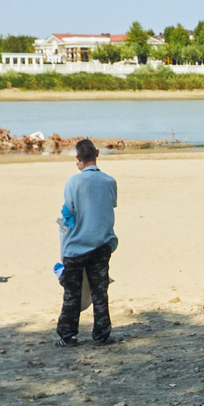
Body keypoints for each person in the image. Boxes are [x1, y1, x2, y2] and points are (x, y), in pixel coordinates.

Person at [57, 137, 119, 346]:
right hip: (101, 244)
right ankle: (102, 334)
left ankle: (68, 335)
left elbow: (68, 212)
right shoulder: (109, 181)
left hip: (75, 246)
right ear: (97, 154)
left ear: (78, 158)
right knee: (99, 291)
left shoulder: (73, 182)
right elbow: (110, 206)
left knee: (71, 294)